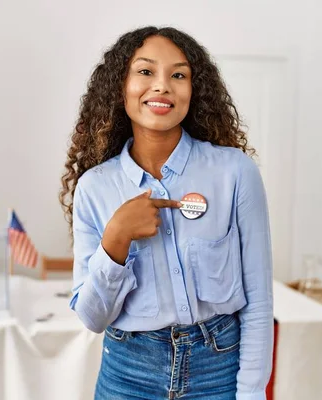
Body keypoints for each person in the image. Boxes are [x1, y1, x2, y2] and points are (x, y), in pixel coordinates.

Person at [59, 26, 273, 400]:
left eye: (178, 75)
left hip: (218, 370)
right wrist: (116, 239)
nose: (162, 86)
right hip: (128, 374)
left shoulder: (234, 172)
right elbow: (93, 318)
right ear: (119, 87)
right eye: (145, 72)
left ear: (195, 90)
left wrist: (252, 393)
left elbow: (258, 301)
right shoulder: (95, 187)